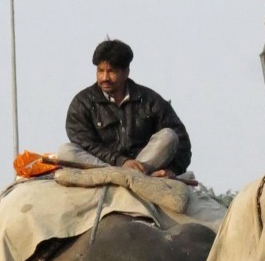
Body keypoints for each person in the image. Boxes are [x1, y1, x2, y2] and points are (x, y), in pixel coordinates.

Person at [59, 39, 192, 177]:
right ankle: (122, 175)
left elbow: (182, 141)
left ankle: (133, 174)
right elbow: (85, 143)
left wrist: (173, 170)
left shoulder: (150, 100)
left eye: (111, 71)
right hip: (103, 166)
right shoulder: (83, 103)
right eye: (100, 71)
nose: (105, 77)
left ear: (126, 72)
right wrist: (120, 161)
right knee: (66, 151)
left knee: (169, 136)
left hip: (142, 164)